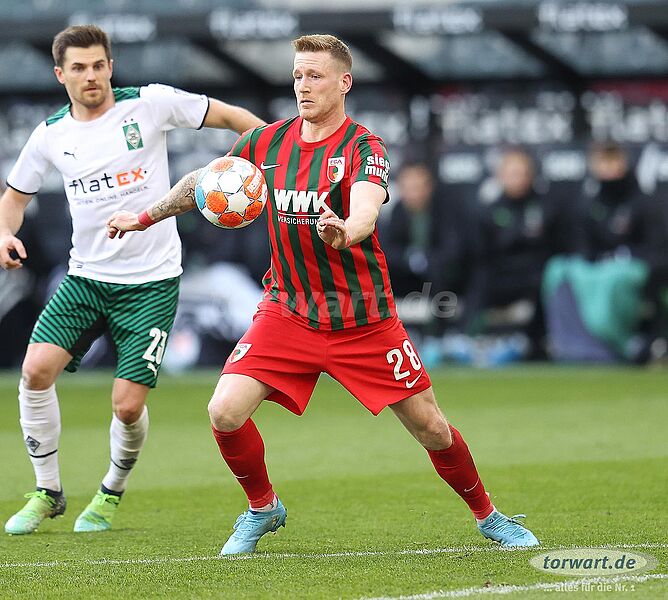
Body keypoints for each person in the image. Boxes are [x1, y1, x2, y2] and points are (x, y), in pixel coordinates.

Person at [108, 34, 539, 554]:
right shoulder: (266, 142)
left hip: (363, 319)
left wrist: (348, 229)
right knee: (224, 412)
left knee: (431, 427)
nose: (303, 86)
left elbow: (367, 208)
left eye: (315, 76)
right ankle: (263, 508)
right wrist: (144, 217)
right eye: (297, 75)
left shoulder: (363, 147)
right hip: (288, 311)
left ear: (344, 82)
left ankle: (489, 516)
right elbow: (203, 181)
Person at [0, 25, 264, 536]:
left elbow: (233, 117)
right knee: (34, 372)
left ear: (111, 67)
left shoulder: (150, 104)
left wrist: (275, 158)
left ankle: (110, 491)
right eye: (79, 68)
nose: (91, 76)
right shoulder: (51, 135)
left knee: (126, 405)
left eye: (98, 65)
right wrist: (4, 233)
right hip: (86, 278)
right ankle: (47, 491)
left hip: (152, 283)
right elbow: (13, 199)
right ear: (60, 74)